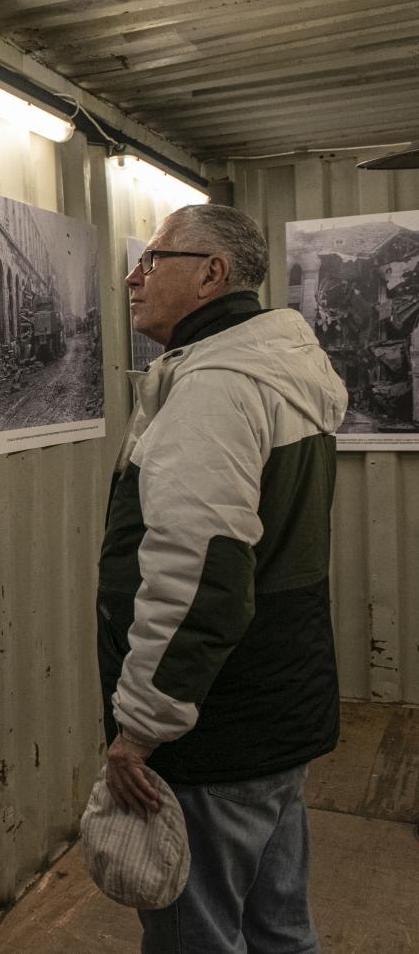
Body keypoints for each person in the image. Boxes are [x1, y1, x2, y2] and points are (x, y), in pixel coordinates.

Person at [96, 204, 347, 951]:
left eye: (153, 259)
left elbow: (199, 576)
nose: (133, 277)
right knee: (279, 926)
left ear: (213, 273)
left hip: (216, 722)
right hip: (278, 699)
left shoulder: (216, 386)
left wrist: (139, 728)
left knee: (195, 934)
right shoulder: (279, 365)